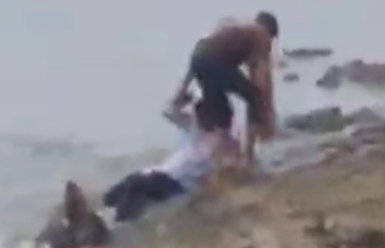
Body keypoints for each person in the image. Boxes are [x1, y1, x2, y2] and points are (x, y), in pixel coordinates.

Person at [101, 99, 240, 226]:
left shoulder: (227, 144)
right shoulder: (196, 130)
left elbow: (229, 168)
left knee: (135, 186)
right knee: (109, 198)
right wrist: (181, 99)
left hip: (176, 184)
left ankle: (118, 228)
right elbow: (169, 112)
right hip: (156, 173)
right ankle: (107, 222)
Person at [169, 12, 279, 165]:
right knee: (254, 98)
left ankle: (212, 154)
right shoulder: (260, 35)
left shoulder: (234, 28)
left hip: (199, 59)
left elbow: (200, 53)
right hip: (214, 62)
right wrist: (267, 113)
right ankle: (248, 157)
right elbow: (260, 82)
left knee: (220, 116)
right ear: (270, 33)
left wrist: (180, 92)